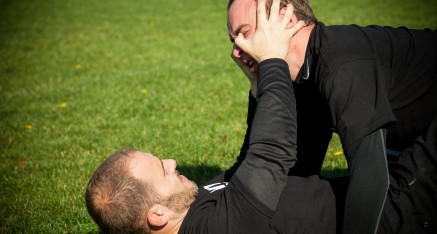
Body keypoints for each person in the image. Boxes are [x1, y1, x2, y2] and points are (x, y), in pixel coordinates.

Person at [85, 1, 337, 233]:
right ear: (158, 215)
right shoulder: (215, 229)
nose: (172, 161)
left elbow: (245, 166)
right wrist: (272, 60)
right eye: (164, 171)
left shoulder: (192, 208)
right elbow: (270, 155)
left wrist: (257, 88)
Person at [228, 0, 437, 233]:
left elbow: (371, 178)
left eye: (244, 33)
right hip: (411, 144)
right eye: (233, 40)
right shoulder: (300, 77)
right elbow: (288, 175)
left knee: (395, 210)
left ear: (285, 18)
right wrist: (258, 88)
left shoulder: (341, 63)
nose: (235, 51)